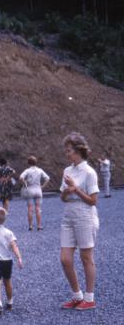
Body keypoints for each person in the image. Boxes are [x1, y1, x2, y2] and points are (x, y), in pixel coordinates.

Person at [59, 132, 99, 311]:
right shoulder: (67, 171)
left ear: (78, 151)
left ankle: (89, 298)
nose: (67, 154)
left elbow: (93, 200)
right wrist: (67, 192)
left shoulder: (89, 172)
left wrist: (75, 189)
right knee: (65, 259)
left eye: (69, 150)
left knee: (86, 257)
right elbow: (62, 197)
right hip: (68, 214)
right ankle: (77, 295)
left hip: (85, 214)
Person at [19, 156, 50, 231]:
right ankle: (39, 226)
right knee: (38, 208)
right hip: (38, 190)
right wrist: (42, 186)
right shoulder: (40, 170)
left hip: (30, 189)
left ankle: (30, 226)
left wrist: (25, 183)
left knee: (30, 209)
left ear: (28, 163)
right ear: (36, 162)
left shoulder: (27, 170)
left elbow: (21, 177)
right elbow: (47, 178)